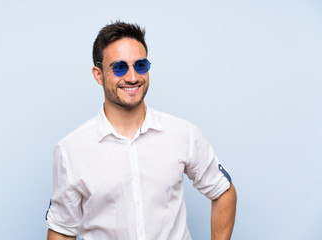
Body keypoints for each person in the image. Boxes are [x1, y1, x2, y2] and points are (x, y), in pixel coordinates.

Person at [46, 21, 237, 240]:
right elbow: (61, 231)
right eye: (119, 67)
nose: (132, 77)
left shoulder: (183, 134)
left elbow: (223, 191)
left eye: (140, 65)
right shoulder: (71, 150)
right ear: (98, 75)